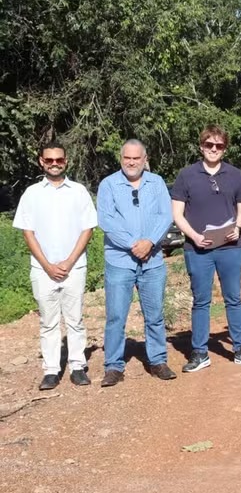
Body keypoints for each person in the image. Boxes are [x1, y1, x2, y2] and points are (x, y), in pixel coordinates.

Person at [170, 125, 241, 372]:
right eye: (209, 145)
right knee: (201, 301)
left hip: (230, 247)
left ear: (224, 148)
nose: (214, 149)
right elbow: (177, 213)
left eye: (219, 146)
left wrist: (238, 228)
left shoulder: (236, 175)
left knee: (234, 298)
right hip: (197, 249)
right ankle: (199, 353)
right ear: (201, 147)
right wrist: (195, 236)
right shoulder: (187, 175)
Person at [13, 142, 97, 390]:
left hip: (74, 267)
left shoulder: (79, 191)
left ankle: (77, 366)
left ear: (66, 161)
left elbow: (88, 228)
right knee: (48, 322)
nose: (54, 164)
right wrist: (47, 265)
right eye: (49, 160)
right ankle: (51, 370)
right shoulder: (31, 193)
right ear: (41, 161)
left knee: (75, 320)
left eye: (58, 160)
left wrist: (69, 261)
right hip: (42, 270)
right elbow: (28, 233)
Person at [96, 139, 176, 387]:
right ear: (121, 159)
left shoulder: (157, 182)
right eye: (127, 158)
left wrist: (150, 242)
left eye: (136, 158)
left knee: (154, 315)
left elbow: (166, 215)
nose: (131, 162)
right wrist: (135, 244)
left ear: (145, 159)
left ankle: (158, 361)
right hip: (120, 260)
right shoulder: (108, 184)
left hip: (152, 261)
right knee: (116, 316)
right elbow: (106, 221)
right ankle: (113, 366)